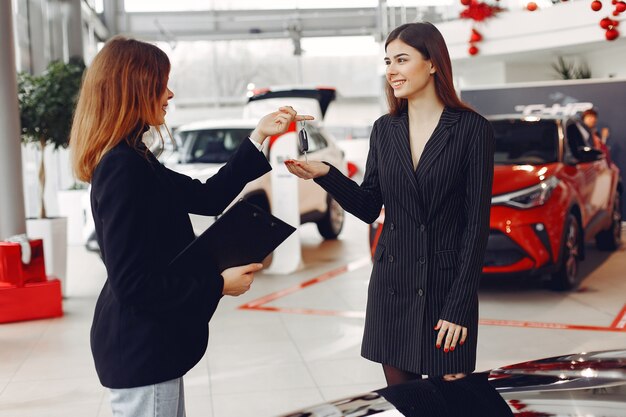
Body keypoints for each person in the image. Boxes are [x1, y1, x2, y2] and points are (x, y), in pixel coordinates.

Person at [69, 36, 312, 417]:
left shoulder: (134, 157)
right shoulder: (122, 167)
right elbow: (133, 284)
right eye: (161, 83)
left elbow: (208, 197)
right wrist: (219, 284)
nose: (170, 93)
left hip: (149, 345)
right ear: (135, 88)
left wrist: (260, 134)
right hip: (140, 349)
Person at [284, 22, 494, 386]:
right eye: (387, 62)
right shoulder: (385, 128)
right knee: (407, 404)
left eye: (401, 59)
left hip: (445, 289)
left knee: (453, 405)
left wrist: (459, 307)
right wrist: (325, 173)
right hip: (391, 288)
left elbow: (475, 227)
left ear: (432, 63)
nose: (391, 71)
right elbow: (368, 206)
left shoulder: (471, 129)